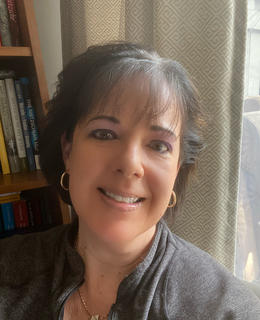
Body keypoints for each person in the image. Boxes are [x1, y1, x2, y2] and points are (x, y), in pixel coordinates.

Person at [0, 42, 260, 320]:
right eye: (104, 134)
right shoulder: (8, 268)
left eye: (159, 146)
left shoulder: (227, 310)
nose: (130, 164)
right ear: (68, 150)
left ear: (177, 170)